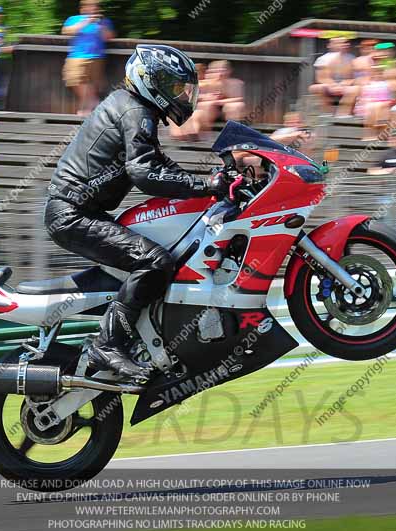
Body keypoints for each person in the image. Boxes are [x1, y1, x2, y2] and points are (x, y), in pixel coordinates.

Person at [45, 45, 226, 380]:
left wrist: (206, 182)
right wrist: (205, 187)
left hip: (80, 211)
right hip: (73, 214)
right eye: (173, 86)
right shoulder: (134, 111)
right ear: (150, 80)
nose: (181, 95)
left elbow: (156, 164)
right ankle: (108, 344)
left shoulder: (133, 109)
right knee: (155, 261)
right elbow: (145, 173)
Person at [62, 0, 115, 116]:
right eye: (90, 6)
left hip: (97, 57)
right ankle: (95, 104)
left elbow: (109, 37)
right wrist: (86, 21)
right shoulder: (74, 19)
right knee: (73, 79)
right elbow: (66, 31)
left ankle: (86, 112)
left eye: (96, 6)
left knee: (92, 84)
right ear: (83, 8)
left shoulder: (104, 22)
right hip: (76, 57)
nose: (94, 8)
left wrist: (101, 25)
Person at [194, 60, 246, 134]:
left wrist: (220, 102)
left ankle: (234, 133)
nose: (220, 74)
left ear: (229, 71)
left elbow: (240, 98)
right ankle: (205, 133)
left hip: (227, 110)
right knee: (205, 105)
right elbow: (192, 95)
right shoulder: (205, 84)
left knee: (236, 106)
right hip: (212, 111)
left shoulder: (236, 83)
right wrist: (206, 97)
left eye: (223, 70)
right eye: (216, 71)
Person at [309, 37, 355, 116]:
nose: (342, 45)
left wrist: (344, 84)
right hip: (329, 85)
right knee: (317, 88)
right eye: (338, 43)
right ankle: (327, 113)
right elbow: (321, 78)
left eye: (344, 42)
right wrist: (334, 85)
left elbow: (353, 78)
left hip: (345, 86)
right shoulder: (323, 59)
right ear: (330, 45)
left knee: (353, 90)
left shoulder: (352, 58)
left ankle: (343, 115)